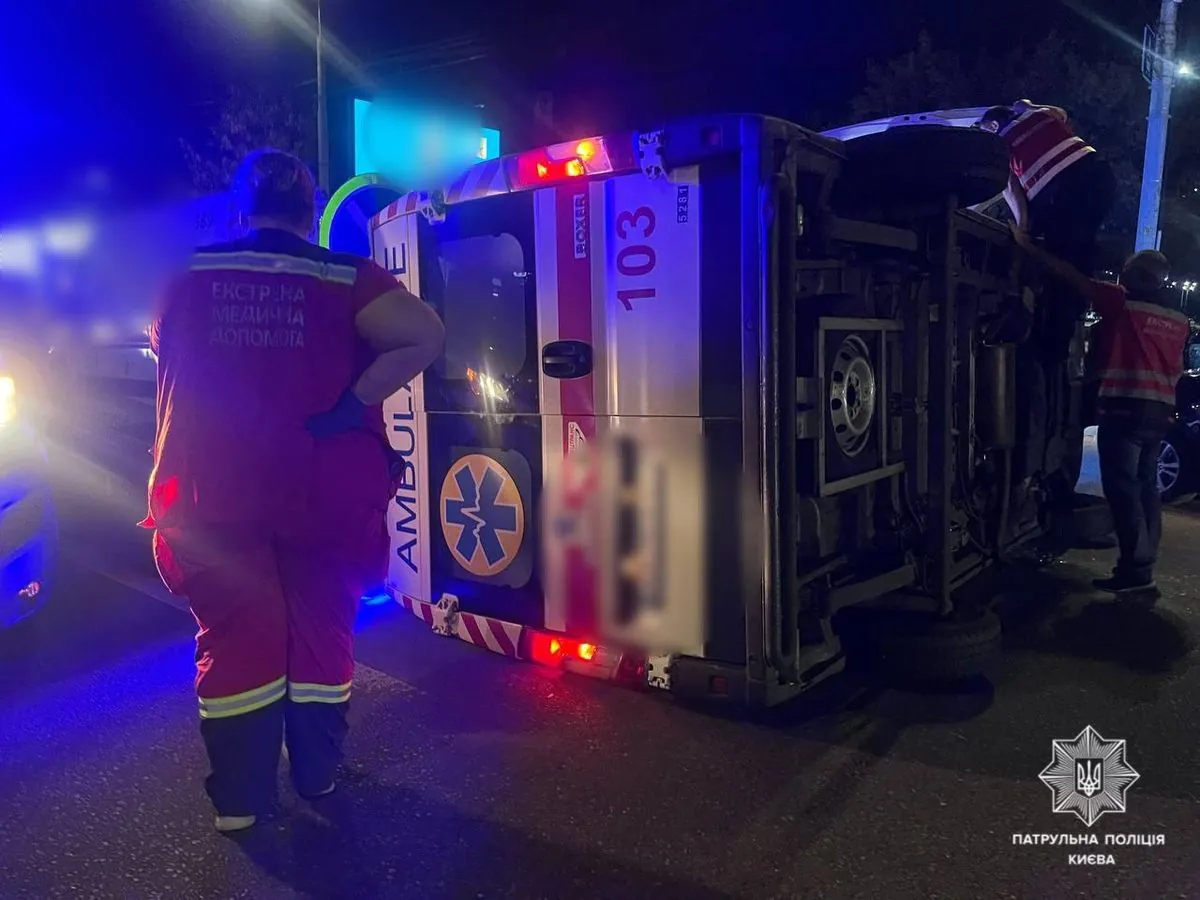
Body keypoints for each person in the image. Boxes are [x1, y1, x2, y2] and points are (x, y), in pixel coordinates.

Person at [142, 149, 444, 832]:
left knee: (237, 636)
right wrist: (349, 403)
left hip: (210, 493)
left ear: (239, 206)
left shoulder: (184, 274)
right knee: (321, 631)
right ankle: (316, 776)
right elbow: (424, 334)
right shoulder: (345, 276)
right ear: (311, 212)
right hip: (322, 489)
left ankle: (242, 802)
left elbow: (164, 348)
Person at [1010, 222, 1187, 596]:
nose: (1122, 275)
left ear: (1136, 275)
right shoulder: (1178, 321)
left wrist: (1029, 247)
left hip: (1124, 410)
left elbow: (1072, 277)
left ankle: (1135, 570)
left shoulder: (1122, 303)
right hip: (1160, 415)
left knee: (1123, 490)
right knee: (1145, 489)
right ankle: (1145, 564)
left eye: (1127, 271)